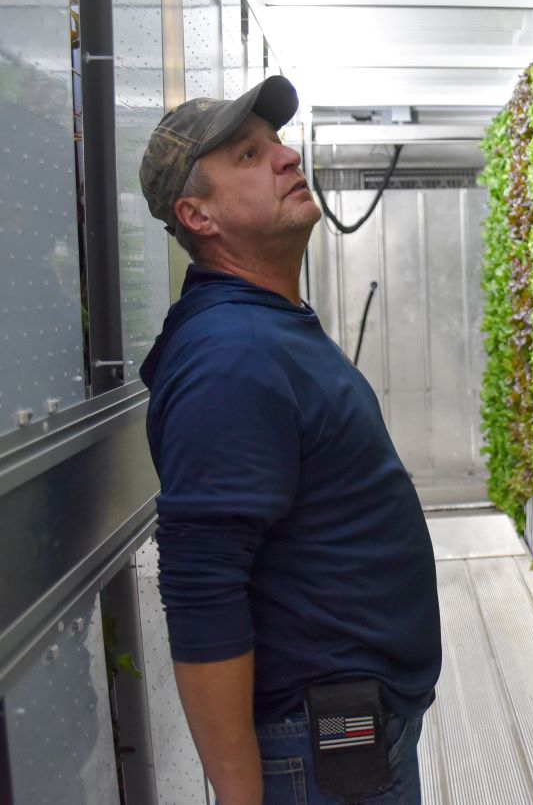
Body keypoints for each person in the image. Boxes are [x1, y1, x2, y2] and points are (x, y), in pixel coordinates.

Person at [137, 75, 441, 805]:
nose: (285, 156)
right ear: (197, 215)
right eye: (248, 154)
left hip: (347, 735)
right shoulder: (230, 353)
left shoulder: (265, 321)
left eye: (275, 141)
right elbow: (201, 583)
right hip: (312, 753)